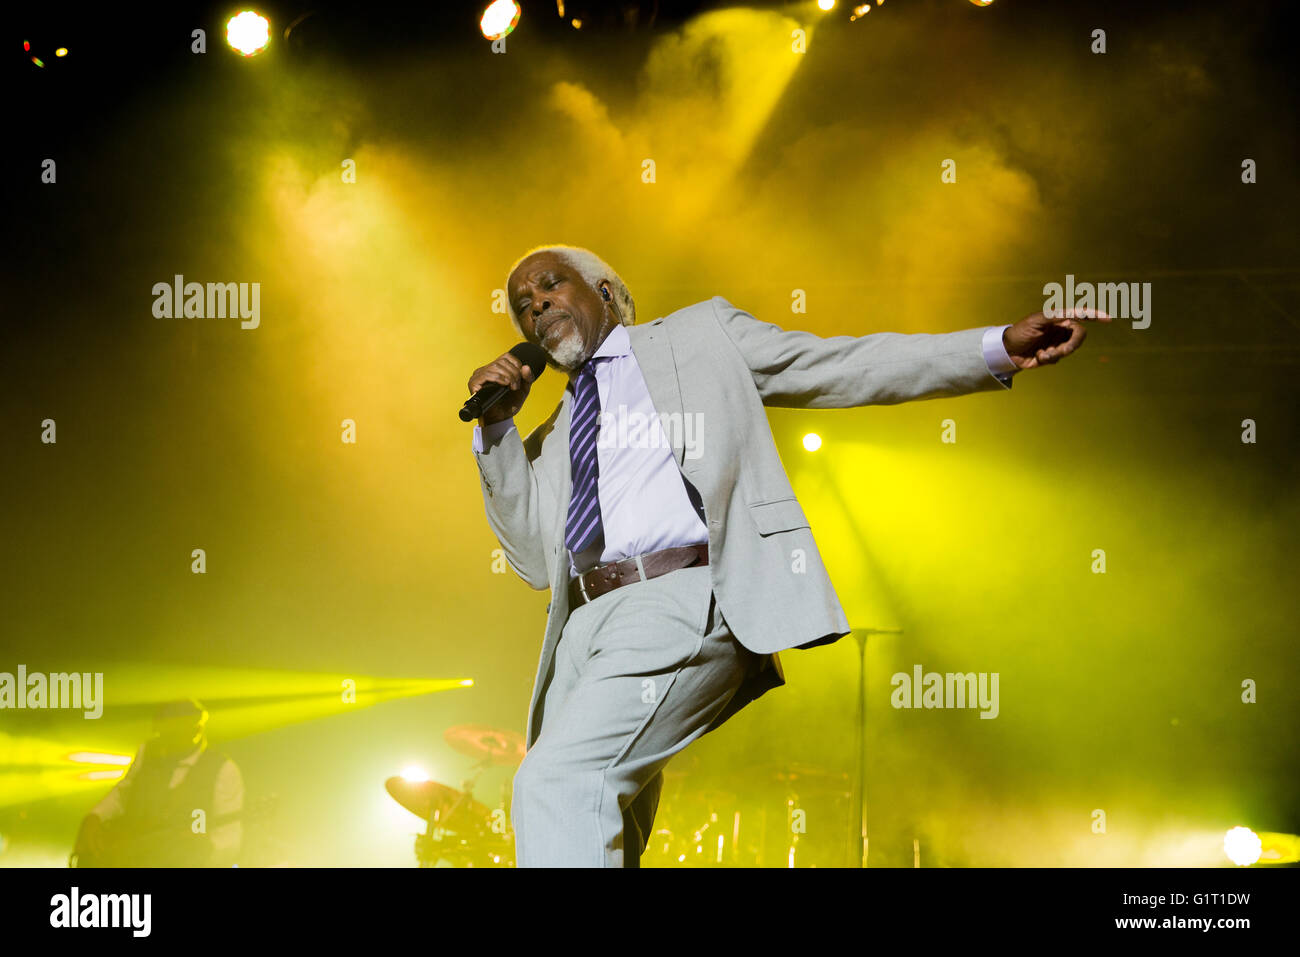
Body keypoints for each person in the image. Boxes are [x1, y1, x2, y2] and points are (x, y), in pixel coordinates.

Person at [468, 244, 1107, 867]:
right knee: (599, 824)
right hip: (581, 629)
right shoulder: (555, 430)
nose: (536, 305)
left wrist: (993, 347)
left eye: (550, 284)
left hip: (676, 597)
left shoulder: (697, 335)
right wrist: (497, 429)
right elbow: (530, 557)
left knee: (559, 783)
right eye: (522, 305)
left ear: (604, 292)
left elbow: (838, 364)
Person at [73, 698, 243, 867]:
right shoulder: (147, 751)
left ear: (196, 730)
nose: (163, 739)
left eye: (173, 733)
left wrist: (202, 853)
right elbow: (123, 793)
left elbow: (229, 838)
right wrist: (95, 817)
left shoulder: (224, 770)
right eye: (162, 732)